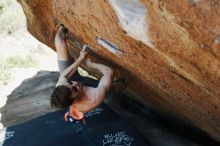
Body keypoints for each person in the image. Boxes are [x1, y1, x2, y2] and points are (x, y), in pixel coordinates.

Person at [50, 24, 114, 121]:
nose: (76, 84)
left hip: (72, 77)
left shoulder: (61, 86)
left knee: (59, 41)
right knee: (115, 87)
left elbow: (66, 76)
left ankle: (61, 27)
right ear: (74, 100)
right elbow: (109, 72)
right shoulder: (93, 100)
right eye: (75, 89)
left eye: (70, 84)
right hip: (92, 88)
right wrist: (90, 64)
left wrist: (80, 58)